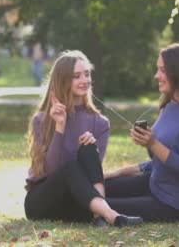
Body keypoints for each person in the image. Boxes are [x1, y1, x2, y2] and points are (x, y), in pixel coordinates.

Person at [24, 50, 143, 227]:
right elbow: (52, 170)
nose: (84, 80)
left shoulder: (100, 123)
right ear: (63, 80)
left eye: (87, 74)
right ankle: (110, 215)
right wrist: (60, 127)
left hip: (76, 203)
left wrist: (88, 150)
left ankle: (98, 216)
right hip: (42, 202)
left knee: (88, 147)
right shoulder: (42, 119)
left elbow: (93, 177)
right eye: (76, 76)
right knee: (70, 166)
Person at [104, 43, 179, 222]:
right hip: (154, 184)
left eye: (163, 70)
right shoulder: (169, 106)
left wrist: (153, 144)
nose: (157, 76)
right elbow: (158, 160)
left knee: (99, 204)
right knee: (98, 188)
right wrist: (118, 172)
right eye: (158, 69)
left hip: (177, 204)